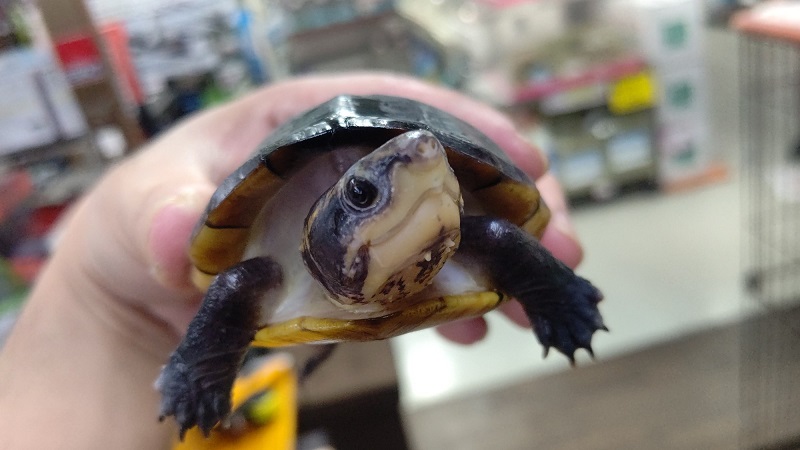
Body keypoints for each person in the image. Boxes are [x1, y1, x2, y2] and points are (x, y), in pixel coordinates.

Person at [0, 73, 584, 449]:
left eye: (444, 181)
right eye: (364, 195)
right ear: (316, 225)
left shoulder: (486, 239)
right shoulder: (261, 274)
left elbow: (502, 236)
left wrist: (554, 296)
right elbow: (229, 287)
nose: (428, 177)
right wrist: (197, 369)